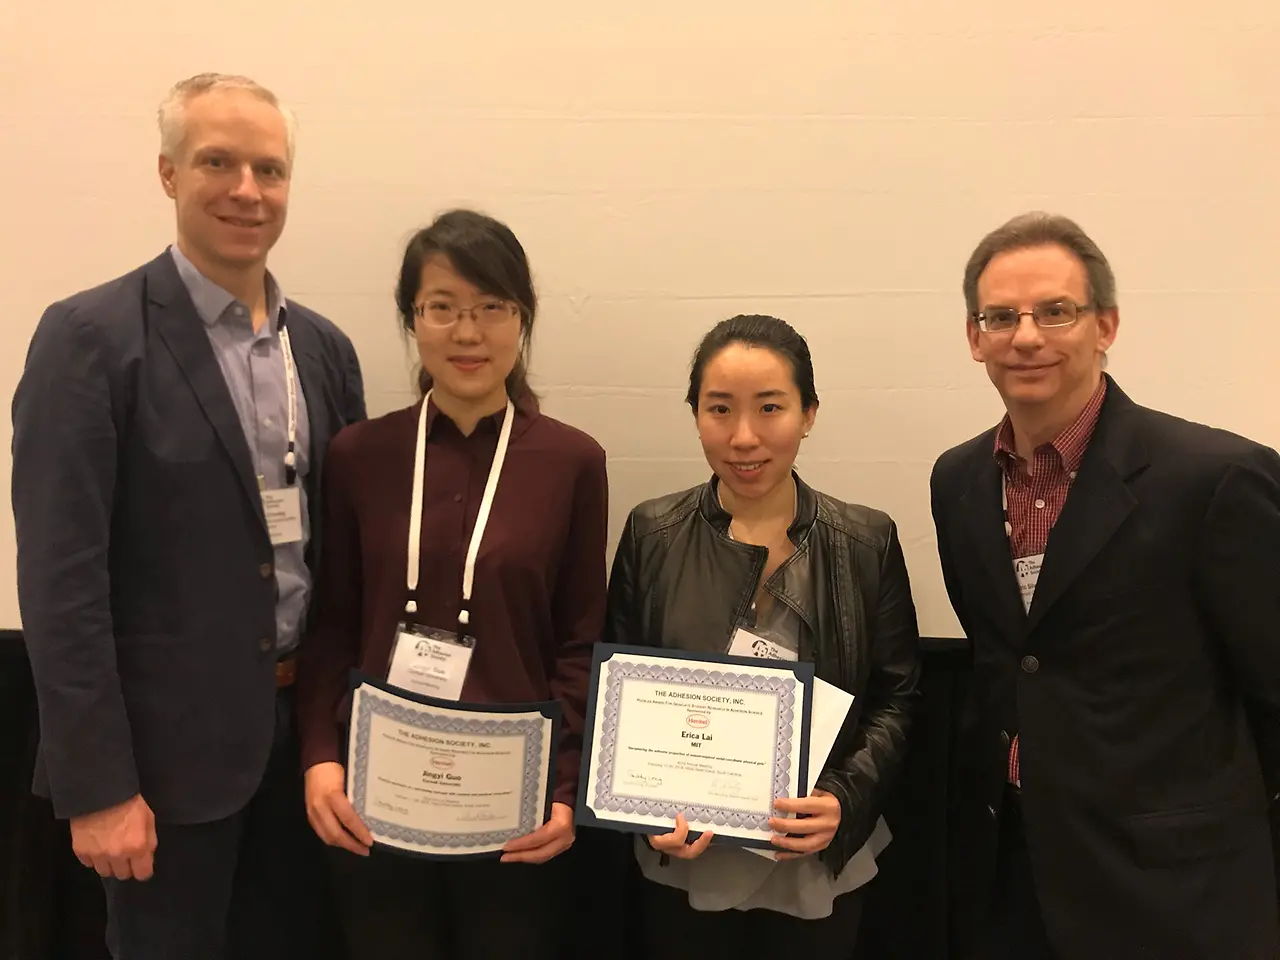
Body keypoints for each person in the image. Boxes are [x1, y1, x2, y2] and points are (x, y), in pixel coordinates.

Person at [11, 73, 366, 959]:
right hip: (162, 771)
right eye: (219, 162)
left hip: (303, 753)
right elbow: (62, 585)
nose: (248, 190)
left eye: (270, 169)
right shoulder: (90, 339)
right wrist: (96, 787)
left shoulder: (322, 350)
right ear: (168, 173)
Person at [930, 211, 1280, 959]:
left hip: (1176, 897)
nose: (1026, 336)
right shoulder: (956, 481)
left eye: (1056, 311)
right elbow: (1005, 663)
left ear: (1106, 324)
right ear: (974, 337)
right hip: (1011, 880)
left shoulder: (1215, 480)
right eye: (1001, 316)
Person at [294, 208, 609, 959]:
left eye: (491, 308)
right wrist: (318, 757)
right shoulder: (359, 455)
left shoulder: (572, 462)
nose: (468, 333)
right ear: (413, 320)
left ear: (522, 317)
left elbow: (580, 639)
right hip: (371, 797)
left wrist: (563, 791)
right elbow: (332, 621)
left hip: (512, 808)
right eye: (443, 308)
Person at [603, 314, 921, 958]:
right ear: (695, 414)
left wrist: (843, 798)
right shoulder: (651, 533)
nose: (744, 437)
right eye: (720, 409)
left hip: (812, 857)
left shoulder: (866, 541)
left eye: (770, 408)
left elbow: (897, 698)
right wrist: (644, 808)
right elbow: (617, 691)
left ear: (808, 413)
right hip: (689, 856)